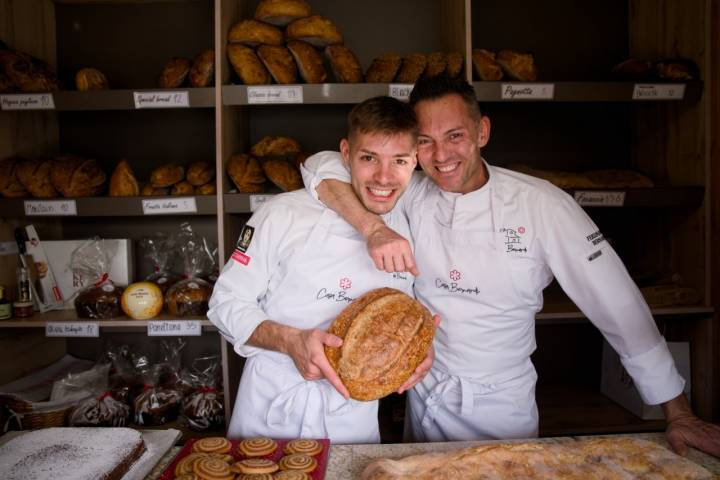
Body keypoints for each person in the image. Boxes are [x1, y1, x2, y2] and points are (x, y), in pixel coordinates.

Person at [301, 75, 720, 456]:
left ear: (482, 132)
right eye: (425, 141)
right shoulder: (412, 191)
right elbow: (318, 165)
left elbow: (618, 305)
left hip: (500, 408)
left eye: (455, 136)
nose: (441, 155)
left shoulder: (542, 205)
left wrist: (678, 413)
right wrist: (372, 227)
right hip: (424, 398)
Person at [207, 96, 435, 443]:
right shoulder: (282, 214)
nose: (384, 177)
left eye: (400, 161)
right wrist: (291, 341)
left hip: (351, 423)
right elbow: (223, 305)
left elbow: (409, 314)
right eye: (368, 158)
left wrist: (416, 348)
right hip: (269, 412)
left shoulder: (413, 227)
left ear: (415, 159)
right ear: (345, 153)